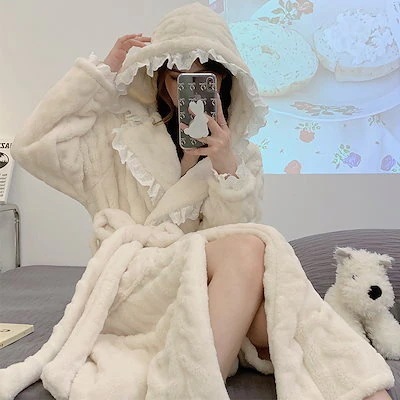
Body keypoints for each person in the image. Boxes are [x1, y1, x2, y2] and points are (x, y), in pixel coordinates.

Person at [9, 3, 392, 400]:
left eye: (201, 79)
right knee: (254, 246)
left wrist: (225, 168)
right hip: (134, 284)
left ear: (222, 81)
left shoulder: (241, 157)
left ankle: (362, 390)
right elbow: (32, 145)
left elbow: (229, 249)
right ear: (160, 78)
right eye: (177, 78)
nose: (186, 90)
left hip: (203, 289)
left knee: (275, 315)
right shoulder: (117, 136)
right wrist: (101, 74)